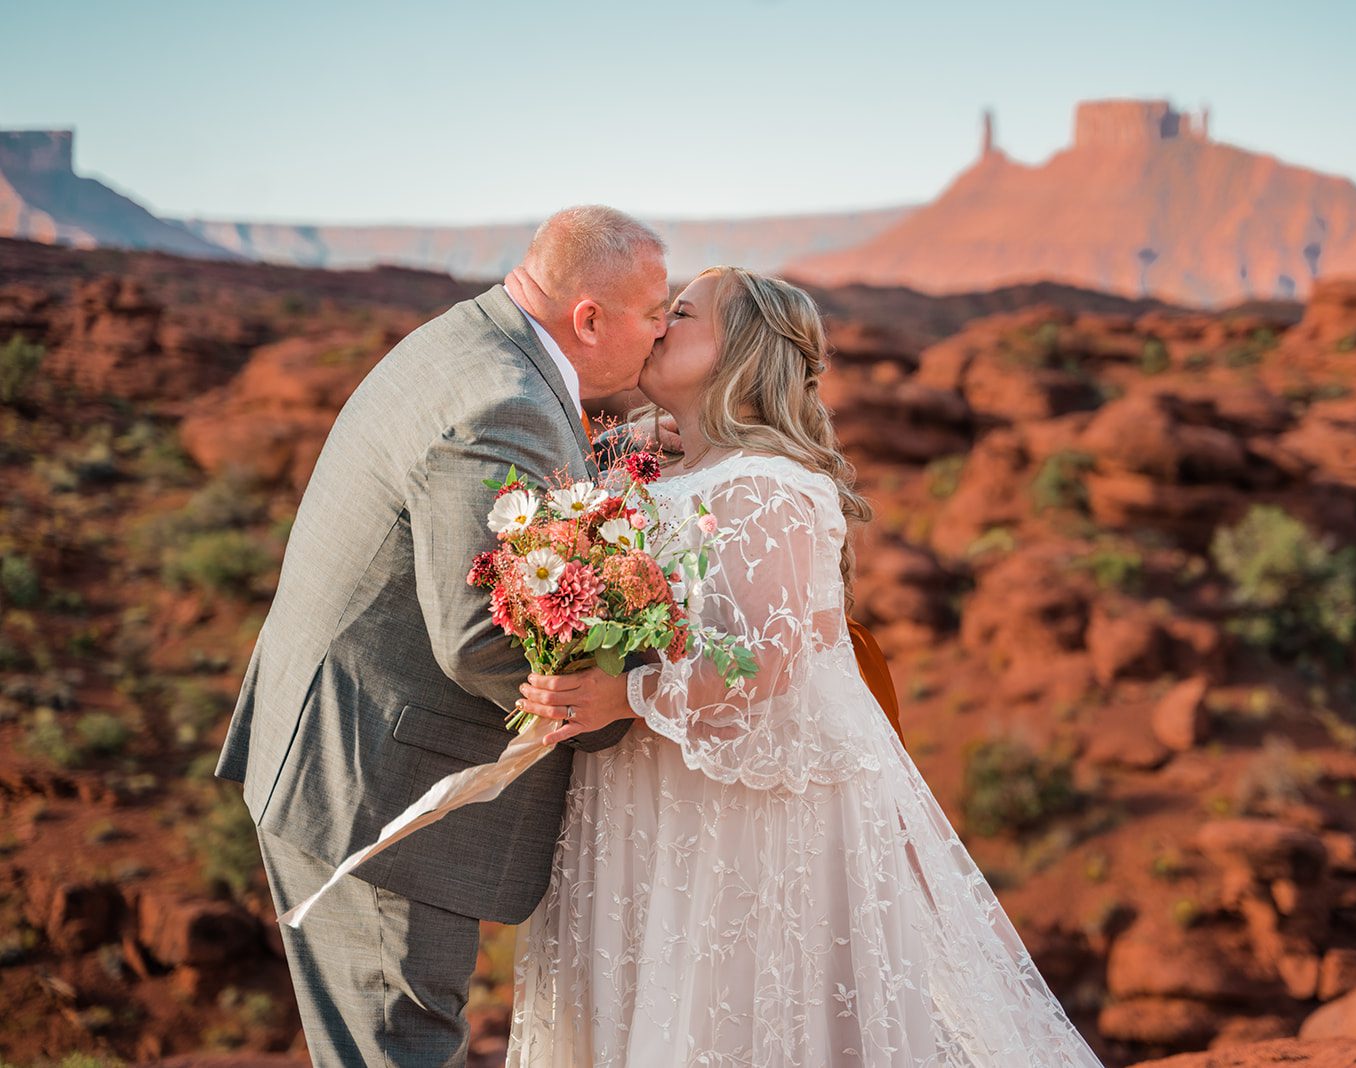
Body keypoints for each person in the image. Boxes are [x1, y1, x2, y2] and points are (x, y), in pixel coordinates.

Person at [504, 267, 1105, 1066]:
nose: (656, 326)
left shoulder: (770, 486)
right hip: (644, 789)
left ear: (741, 354)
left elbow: (767, 659)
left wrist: (625, 694)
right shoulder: (642, 475)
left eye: (679, 314)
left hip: (733, 809)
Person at [214, 205, 670, 1066]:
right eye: (655, 315)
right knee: (399, 1048)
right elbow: (476, 638)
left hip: (333, 740)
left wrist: (606, 458)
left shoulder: (472, 340)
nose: (658, 335)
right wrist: (624, 705)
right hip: (384, 792)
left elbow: (495, 499)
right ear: (589, 320)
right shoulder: (509, 402)